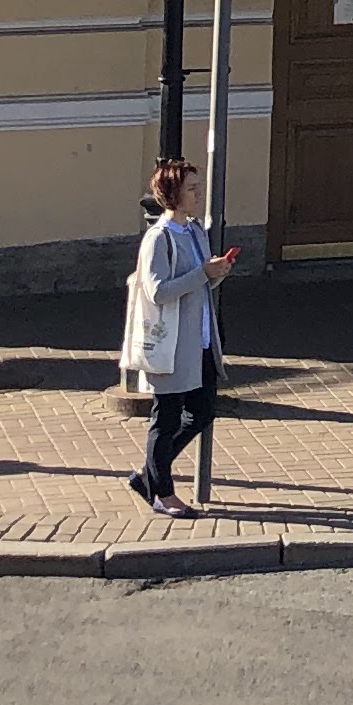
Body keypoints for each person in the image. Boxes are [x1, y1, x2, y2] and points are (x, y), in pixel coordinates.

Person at [120, 158, 237, 515]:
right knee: (166, 418)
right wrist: (203, 273)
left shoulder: (196, 230)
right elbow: (158, 291)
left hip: (201, 341)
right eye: (191, 189)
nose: (198, 194)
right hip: (170, 345)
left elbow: (201, 284)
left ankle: (149, 476)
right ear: (172, 194)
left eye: (198, 187)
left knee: (202, 412)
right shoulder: (159, 238)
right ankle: (162, 493)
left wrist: (218, 272)